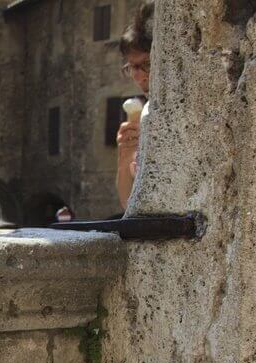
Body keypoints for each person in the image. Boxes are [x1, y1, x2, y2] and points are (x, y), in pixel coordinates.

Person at [116, 1, 154, 210]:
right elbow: (127, 204)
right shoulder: (145, 111)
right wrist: (124, 156)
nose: (138, 75)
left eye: (146, 64)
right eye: (131, 67)